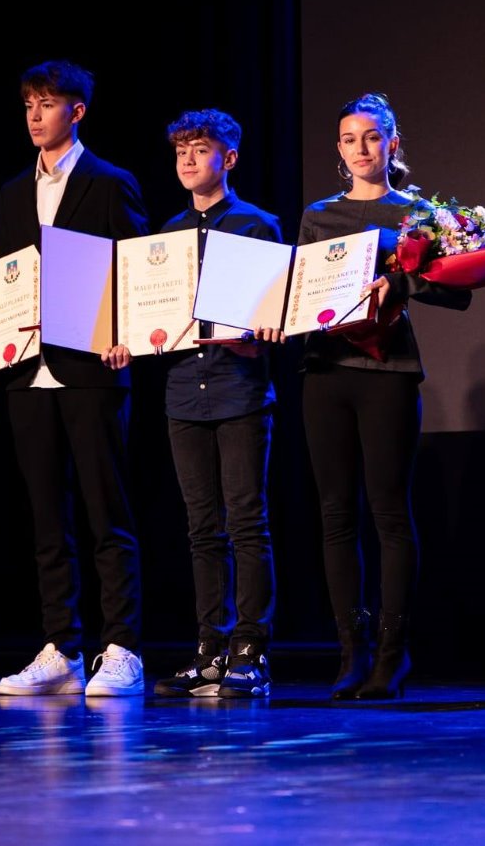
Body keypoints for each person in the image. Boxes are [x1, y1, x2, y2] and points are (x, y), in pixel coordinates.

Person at [295, 93, 470, 700]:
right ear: (339, 150)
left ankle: (393, 655)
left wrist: (401, 279)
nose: (361, 148)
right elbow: (302, 293)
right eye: (349, 139)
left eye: (371, 137)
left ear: (392, 143)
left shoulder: (418, 213)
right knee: (336, 516)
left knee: (390, 513)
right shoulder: (318, 215)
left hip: (389, 372)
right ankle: (353, 652)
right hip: (325, 372)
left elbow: (455, 293)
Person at [0, 60, 152, 698]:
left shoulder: (110, 182)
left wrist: (126, 336)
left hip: (92, 369)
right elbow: (2, 276)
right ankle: (60, 646)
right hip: (27, 372)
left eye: (48, 104)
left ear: (77, 111)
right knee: (46, 520)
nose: (36, 116)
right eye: (29, 104)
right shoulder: (11, 191)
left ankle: (123, 648)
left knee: (106, 513)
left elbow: (135, 269)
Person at [148, 110, 283, 699]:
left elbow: (278, 313)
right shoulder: (167, 234)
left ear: (228, 159)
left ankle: (250, 649)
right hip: (184, 391)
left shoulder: (257, 226)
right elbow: (154, 313)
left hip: (239, 388)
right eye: (180, 150)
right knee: (202, 528)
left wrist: (261, 336)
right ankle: (209, 649)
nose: (187, 159)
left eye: (199, 149)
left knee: (246, 521)